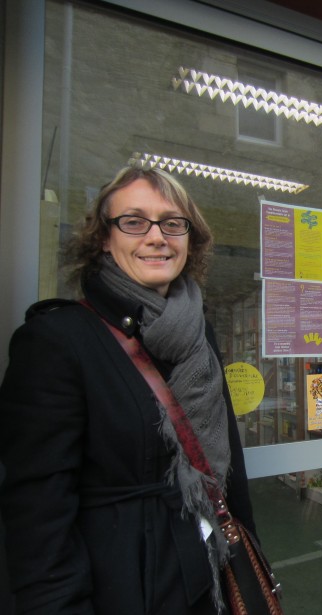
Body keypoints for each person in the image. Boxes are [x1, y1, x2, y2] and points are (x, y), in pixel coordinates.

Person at [0, 166, 256, 614]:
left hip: (210, 574)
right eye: (134, 221)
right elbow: (38, 515)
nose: (157, 237)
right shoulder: (57, 340)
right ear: (103, 237)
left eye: (173, 223)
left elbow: (227, 472)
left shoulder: (201, 334)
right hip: (125, 590)